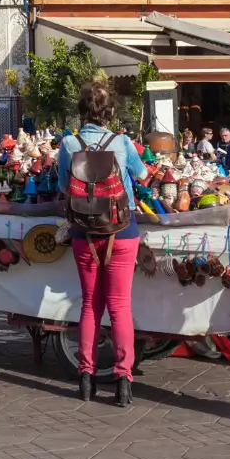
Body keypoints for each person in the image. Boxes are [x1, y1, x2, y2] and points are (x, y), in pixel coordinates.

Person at [58, 81, 148, 407]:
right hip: (122, 231)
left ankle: (86, 378)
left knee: (89, 305)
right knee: (119, 306)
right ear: (110, 111)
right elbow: (141, 175)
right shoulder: (122, 142)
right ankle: (124, 381)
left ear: (81, 110)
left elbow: (61, 185)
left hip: (84, 231)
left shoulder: (68, 143)